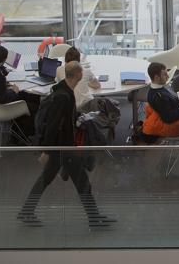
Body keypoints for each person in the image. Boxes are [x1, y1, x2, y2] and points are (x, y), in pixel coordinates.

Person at [18, 61, 114, 228]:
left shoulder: (62, 91)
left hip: (60, 148)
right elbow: (54, 125)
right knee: (82, 183)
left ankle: (27, 211)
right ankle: (94, 218)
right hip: (62, 149)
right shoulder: (64, 97)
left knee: (46, 180)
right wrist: (47, 151)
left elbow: (60, 121)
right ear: (78, 75)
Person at [0, 45, 40, 139]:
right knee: (31, 103)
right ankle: (24, 134)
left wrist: (7, 88)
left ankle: (17, 131)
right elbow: (2, 99)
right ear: (4, 60)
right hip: (0, 109)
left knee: (24, 96)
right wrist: (14, 91)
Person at [55, 47, 102, 112]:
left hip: (67, 108)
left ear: (65, 60)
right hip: (85, 108)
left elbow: (59, 84)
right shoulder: (85, 71)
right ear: (79, 61)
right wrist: (87, 83)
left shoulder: (59, 70)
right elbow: (97, 85)